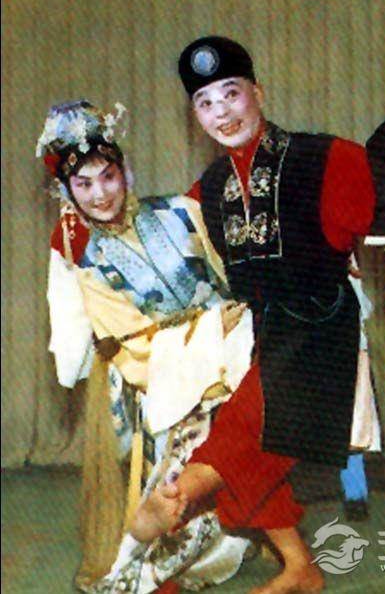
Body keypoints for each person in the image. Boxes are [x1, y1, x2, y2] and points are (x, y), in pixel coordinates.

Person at [131, 36, 385, 594]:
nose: (222, 112)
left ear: (258, 92)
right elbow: (164, 250)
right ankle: (301, 567)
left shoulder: (324, 158)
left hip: (323, 333)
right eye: (205, 103)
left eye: (232, 93)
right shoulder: (210, 189)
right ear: (195, 117)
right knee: (248, 442)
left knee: (249, 429)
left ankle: (183, 492)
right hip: (261, 338)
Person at [38, 100, 256, 594]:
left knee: (235, 460)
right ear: (67, 191)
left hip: (229, 355)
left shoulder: (177, 211)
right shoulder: (81, 254)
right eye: (84, 184)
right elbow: (131, 343)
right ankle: (136, 573)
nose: (100, 194)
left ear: (125, 171)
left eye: (108, 176)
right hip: (159, 380)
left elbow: (228, 275)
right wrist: (210, 334)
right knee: (180, 484)